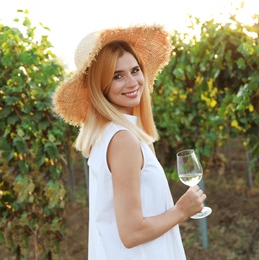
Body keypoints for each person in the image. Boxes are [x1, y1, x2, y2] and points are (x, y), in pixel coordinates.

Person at [52, 24, 207, 260]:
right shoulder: (123, 139)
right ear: (100, 86)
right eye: (117, 76)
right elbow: (131, 233)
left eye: (135, 70)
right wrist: (181, 210)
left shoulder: (112, 134)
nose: (132, 82)